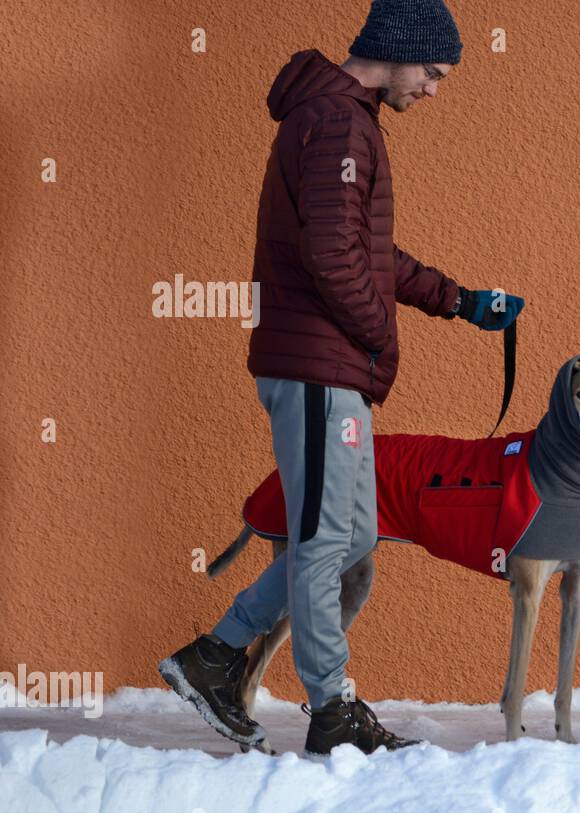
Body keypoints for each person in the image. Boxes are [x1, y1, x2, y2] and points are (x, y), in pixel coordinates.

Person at [159, 0, 524, 756]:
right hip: (319, 370)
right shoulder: (335, 122)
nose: (432, 90)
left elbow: (369, 253)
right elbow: (332, 257)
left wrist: (457, 301)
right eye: (433, 72)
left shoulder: (340, 120)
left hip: (326, 367)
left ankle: (217, 656)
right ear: (398, 49)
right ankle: (333, 712)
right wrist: (376, 336)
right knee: (328, 541)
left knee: (350, 537)